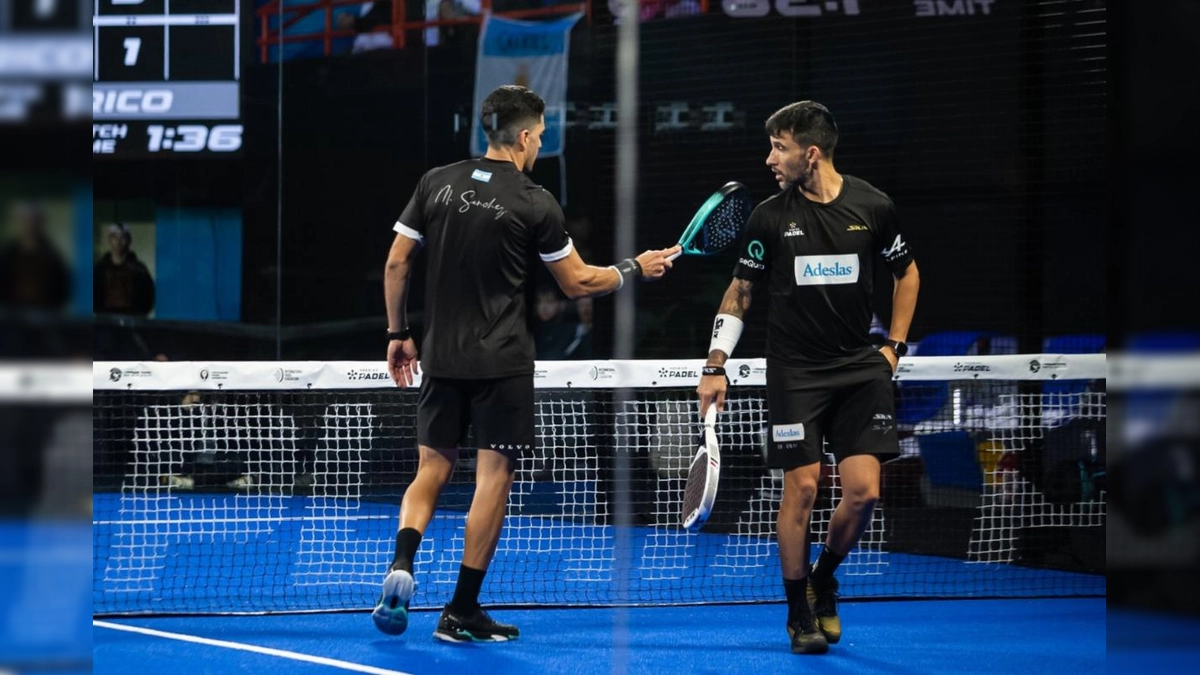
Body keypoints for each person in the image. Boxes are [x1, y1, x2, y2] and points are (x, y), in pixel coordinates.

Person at [378, 84, 679, 642]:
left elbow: (397, 264)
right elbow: (579, 282)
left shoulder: (435, 183)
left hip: (440, 358)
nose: (540, 145)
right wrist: (636, 267)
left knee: (432, 471)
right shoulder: (535, 200)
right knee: (493, 477)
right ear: (522, 137)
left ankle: (402, 563)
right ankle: (461, 610)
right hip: (503, 363)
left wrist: (399, 333)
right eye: (539, 137)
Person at [696, 101, 920, 655]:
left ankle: (824, 577)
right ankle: (799, 611)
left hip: (858, 369)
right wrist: (715, 362)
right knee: (802, 486)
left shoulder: (873, 205)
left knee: (864, 492)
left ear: (810, 153)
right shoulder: (770, 216)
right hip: (796, 374)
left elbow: (907, 272)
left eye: (780, 147)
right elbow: (741, 291)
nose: (771, 157)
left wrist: (893, 345)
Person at [93, 223, 155, 316]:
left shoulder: (138, 270)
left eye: (123, 237)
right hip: (105, 320)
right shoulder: (99, 269)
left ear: (129, 240)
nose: (118, 241)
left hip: (132, 321)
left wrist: (139, 315)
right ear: (109, 240)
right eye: (115, 237)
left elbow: (148, 296)